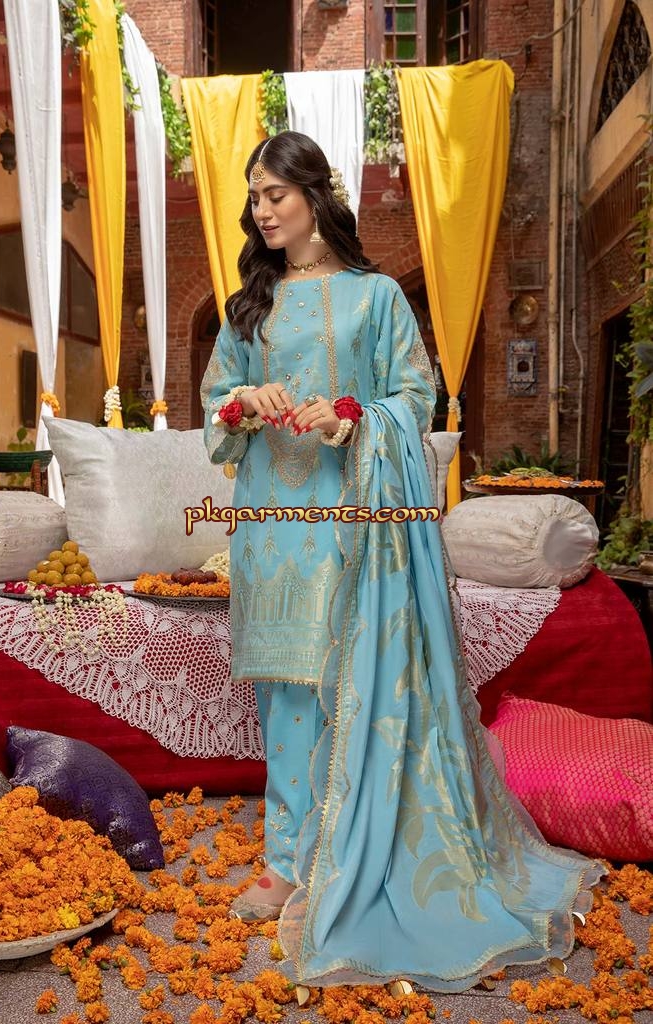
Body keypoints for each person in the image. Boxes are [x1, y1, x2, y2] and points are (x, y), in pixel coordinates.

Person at [201, 130, 603, 992]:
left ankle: (346, 856)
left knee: (343, 680)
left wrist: (351, 418)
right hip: (270, 522)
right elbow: (214, 409)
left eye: (275, 194)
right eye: (254, 197)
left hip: (354, 522)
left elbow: (412, 395)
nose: (261, 211)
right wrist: (243, 404)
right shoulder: (247, 307)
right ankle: (286, 860)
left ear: (315, 196)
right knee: (282, 690)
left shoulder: (376, 296)